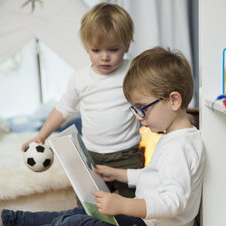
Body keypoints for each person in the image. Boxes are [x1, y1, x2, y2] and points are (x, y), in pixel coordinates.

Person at [0, 47, 204, 226]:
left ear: (173, 100)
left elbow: (173, 202)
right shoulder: (176, 137)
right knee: (78, 213)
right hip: (146, 223)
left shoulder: (179, 147)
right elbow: (156, 177)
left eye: (141, 108)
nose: (138, 117)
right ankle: (8, 219)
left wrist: (121, 205)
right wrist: (120, 174)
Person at [22, 2, 142, 198]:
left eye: (113, 50)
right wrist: (41, 135)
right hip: (91, 154)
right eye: (96, 50)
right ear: (87, 48)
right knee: (89, 202)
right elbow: (63, 108)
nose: (104, 57)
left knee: (135, 200)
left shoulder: (134, 72)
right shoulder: (80, 78)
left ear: (127, 45)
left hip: (127, 154)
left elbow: (154, 96)